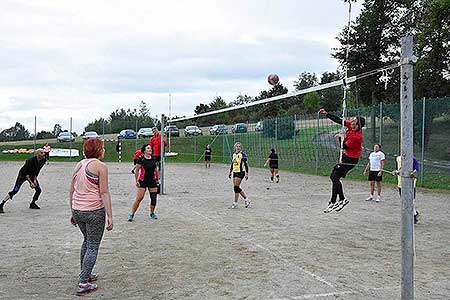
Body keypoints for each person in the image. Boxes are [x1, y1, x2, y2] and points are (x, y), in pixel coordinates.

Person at [70, 138, 113, 296]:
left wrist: (72, 212)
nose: (104, 150)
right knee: (93, 245)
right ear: (98, 150)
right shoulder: (101, 166)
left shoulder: (78, 165)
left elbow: (72, 190)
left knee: (87, 242)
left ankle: (85, 273)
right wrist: (110, 216)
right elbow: (104, 192)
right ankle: (83, 282)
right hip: (93, 211)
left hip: (78, 209)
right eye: (103, 147)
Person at [319, 108, 365, 213]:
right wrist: (327, 114)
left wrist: (340, 137)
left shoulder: (357, 137)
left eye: (355, 123)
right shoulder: (351, 126)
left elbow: (344, 147)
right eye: (352, 121)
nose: (352, 124)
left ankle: (335, 201)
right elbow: (339, 120)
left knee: (334, 177)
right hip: (346, 157)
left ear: (359, 126)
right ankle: (339, 200)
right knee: (334, 177)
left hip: (350, 160)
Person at [0, 149, 47, 213]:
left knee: (38, 190)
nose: (43, 154)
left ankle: (32, 204)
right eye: (41, 153)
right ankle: (1, 204)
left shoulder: (43, 160)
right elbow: (26, 174)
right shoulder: (30, 161)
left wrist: (35, 180)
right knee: (15, 190)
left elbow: (37, 170)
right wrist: (31, 183)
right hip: (23, 175)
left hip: (32, 175)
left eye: (43, 152)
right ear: (37, 154)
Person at [128, 144, 159, 221]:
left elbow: (156, 170)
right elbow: (137, 171)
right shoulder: (141, 160)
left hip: (152, 181)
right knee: (139, 198)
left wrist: (157, 179)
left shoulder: (154, 159)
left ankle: (152, 213)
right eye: (148, 148)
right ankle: (131, 214)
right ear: (144, 151)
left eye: (151, 148)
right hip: (143, 181)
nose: (150, 149)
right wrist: (137, 181)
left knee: (154, 198)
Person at [393, 155, 420, 224]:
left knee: (411, 200)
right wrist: (396, 172)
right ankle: (414, 214)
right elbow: (398, 169)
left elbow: (416, 170)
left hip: (410, 184)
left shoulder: (413, 159)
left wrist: (412, 174)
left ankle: (413, 216)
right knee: (404, 200)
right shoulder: (398, 158)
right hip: (400, 183)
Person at [228, 142, 250, 209]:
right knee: (236, 188)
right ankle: (246, 199)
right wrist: (230, 171)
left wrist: (246, 173)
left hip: (241, 172)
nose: (238, 147)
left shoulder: (242, 154)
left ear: (241, 148)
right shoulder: (234, 154)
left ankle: (235, 202)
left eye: (239, 146)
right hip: (235, 172)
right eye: (237, 146)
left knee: (236, 187)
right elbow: (232, 164)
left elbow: (246, 164)